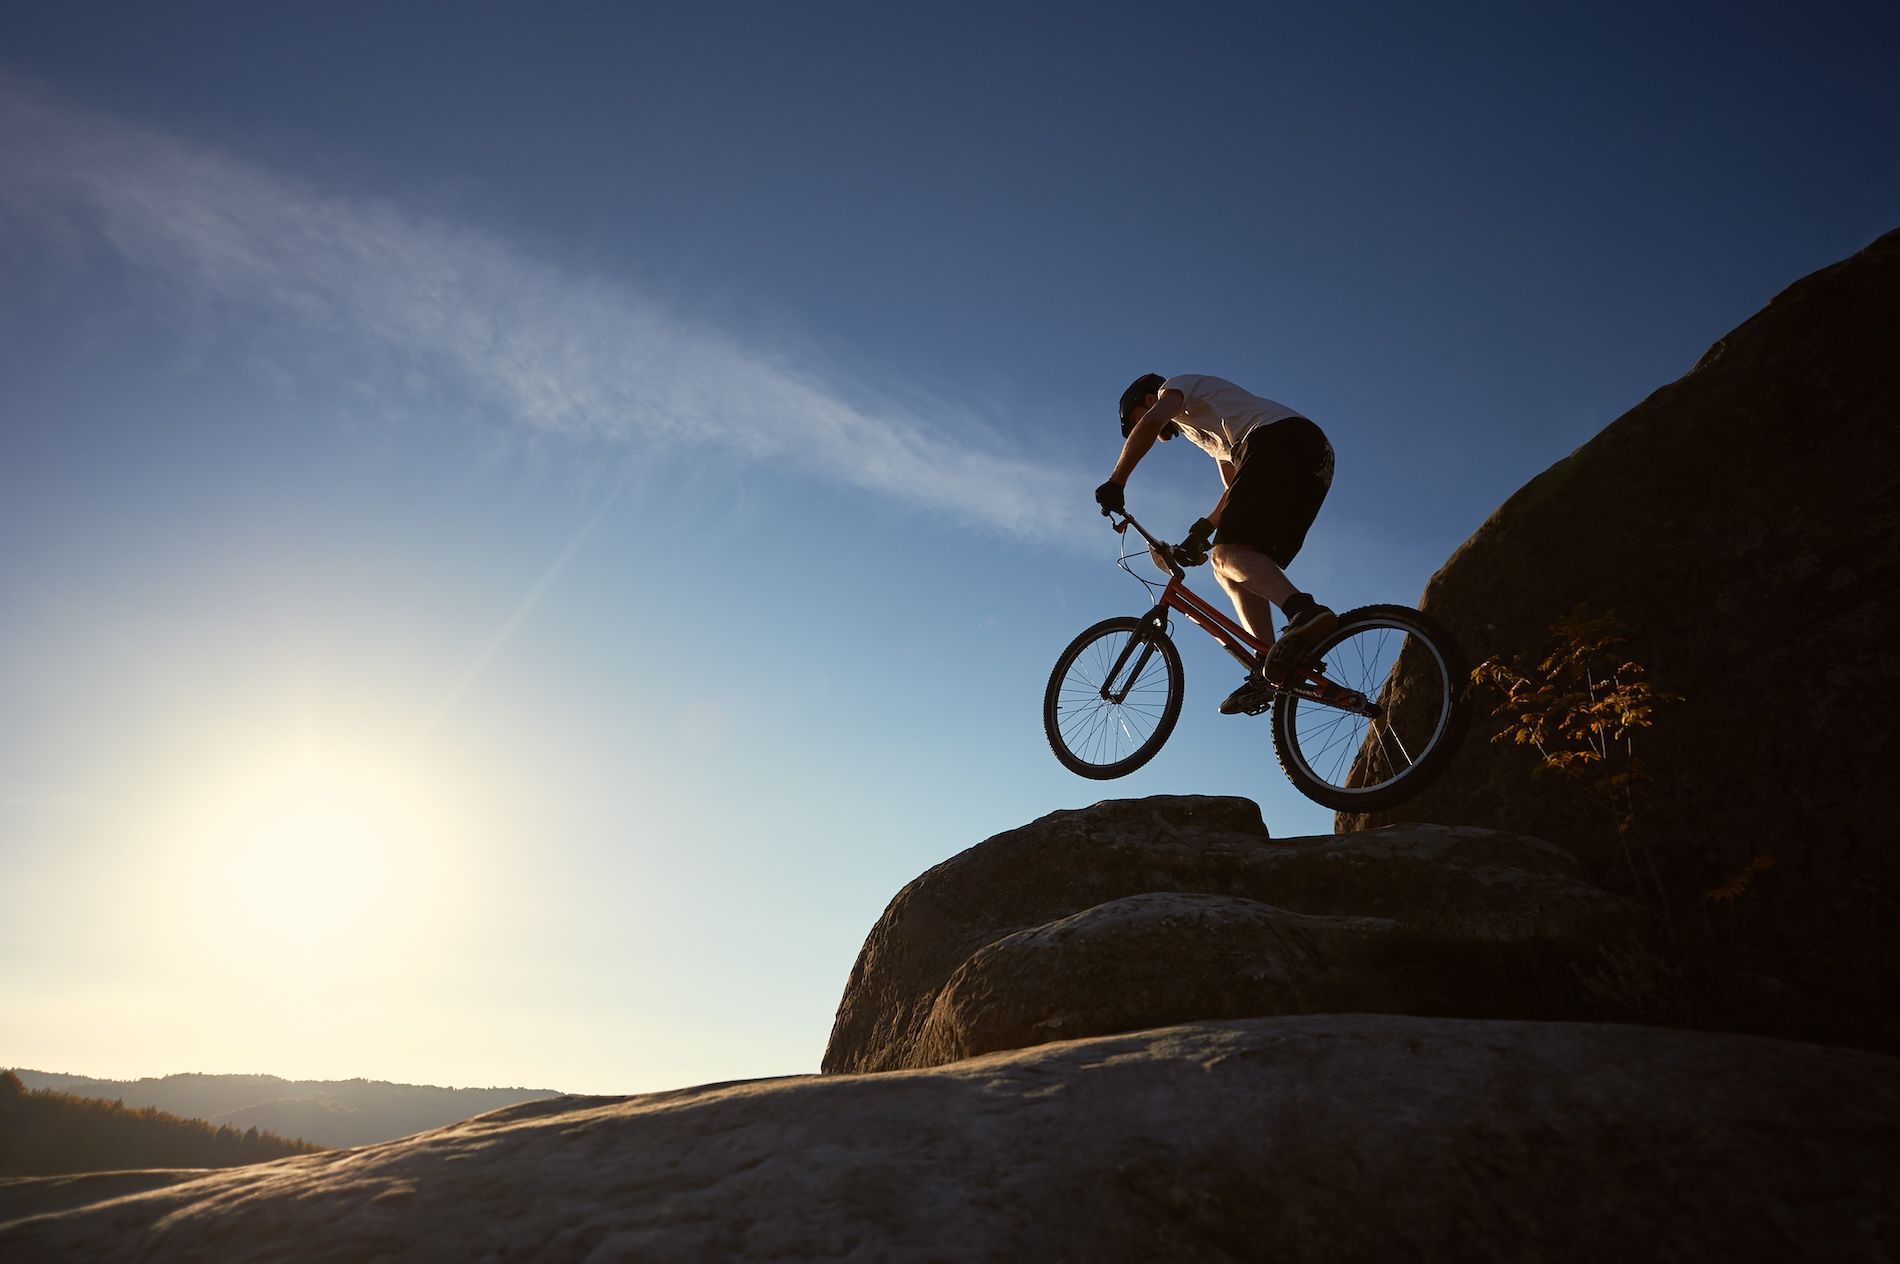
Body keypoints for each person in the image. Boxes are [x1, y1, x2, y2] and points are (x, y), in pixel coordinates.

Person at [1094, 373, 1337, 715]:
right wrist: (1199, 534)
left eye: (1134, 420)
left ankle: (1304, 611)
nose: (1141, 426)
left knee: (1226, 555)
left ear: (1148, 399)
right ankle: (1267, 660)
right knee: (1230, 566)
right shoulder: (1213, 436)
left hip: (1281, 439)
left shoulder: (1172, 389)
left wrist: (1116, 482)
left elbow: (1150, 424)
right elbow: (1234, 490)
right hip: (1313, 458)